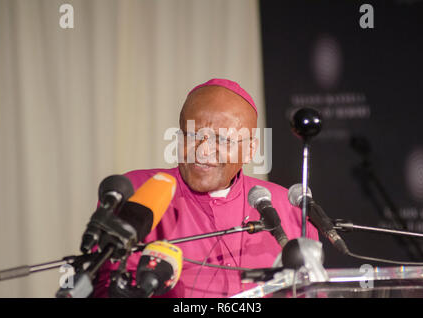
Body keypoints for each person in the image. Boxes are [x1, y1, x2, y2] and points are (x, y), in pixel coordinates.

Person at [93, 78, 318, 298]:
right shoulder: (139, 192)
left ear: (250, 150)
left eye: (222, 140)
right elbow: (103, 285)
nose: (203, 150)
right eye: (193, 135)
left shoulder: (289, 209)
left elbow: (313, 292)